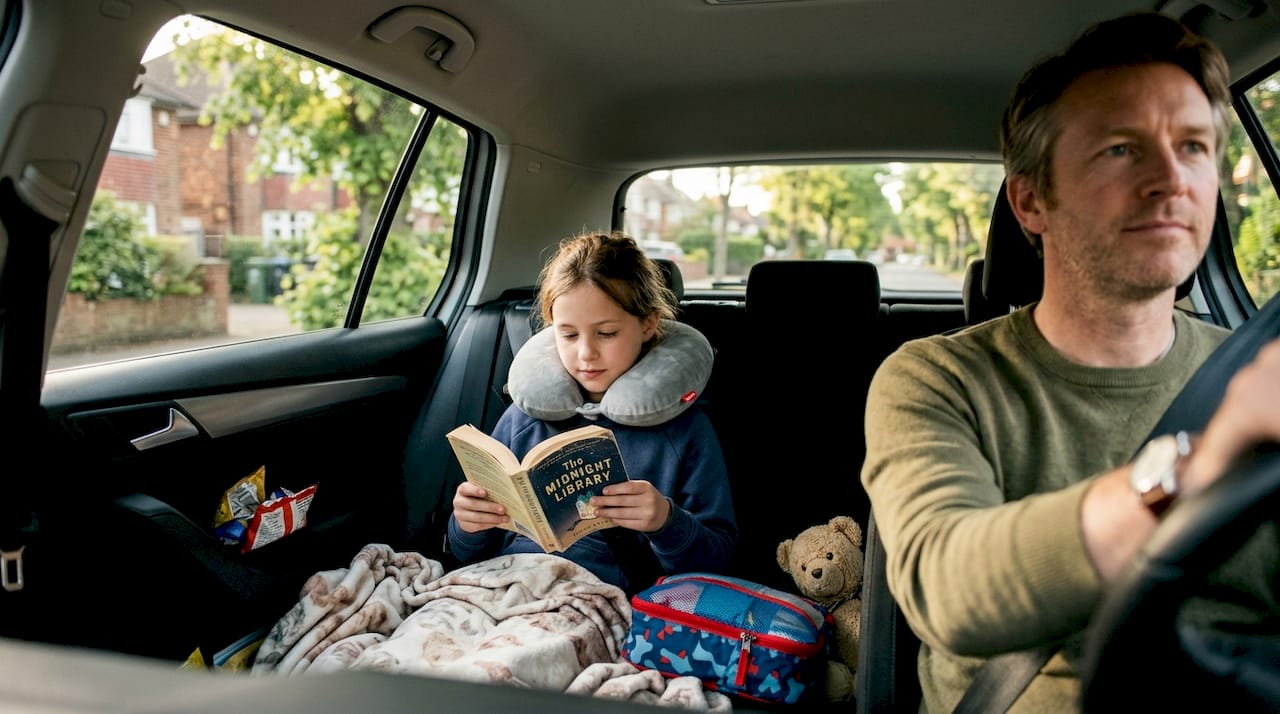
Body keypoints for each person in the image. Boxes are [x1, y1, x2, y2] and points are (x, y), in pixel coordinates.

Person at [861, 12, 1280, 713]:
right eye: (1122, 149)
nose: (1172, 178)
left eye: (1194, 146)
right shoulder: (935, 380)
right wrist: (1193, 472)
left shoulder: (1259, 373)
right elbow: (948, 588)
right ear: (1030, 200)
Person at [447, 230, 737, 595]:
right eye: (568, 335)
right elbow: (466, 554)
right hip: (503, 587)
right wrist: (467, 525)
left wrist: (666, 521)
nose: (586, 354)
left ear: (647, 324)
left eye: (607, 333)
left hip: (603, 601)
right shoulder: (523, 419)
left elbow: (720, 560)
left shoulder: (687, 431)